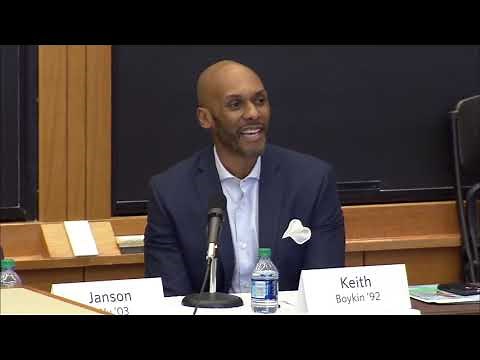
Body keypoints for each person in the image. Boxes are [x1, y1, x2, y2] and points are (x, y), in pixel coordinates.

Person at [144, 60, 345, 297]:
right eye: (235, 104)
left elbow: (323, 290)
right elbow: (171, 298)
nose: (253, 113)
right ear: (205, 118)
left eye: (260, 101)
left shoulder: (312, 181)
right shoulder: (170, 193)